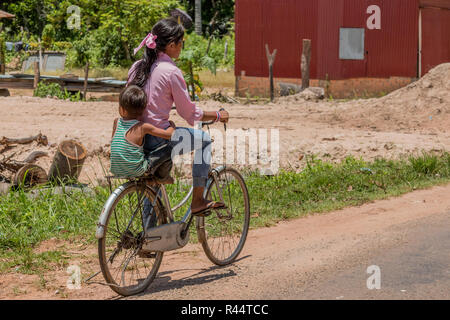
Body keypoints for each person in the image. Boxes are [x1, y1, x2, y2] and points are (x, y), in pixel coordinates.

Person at [127, 18, 228, 216]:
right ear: (171, 44)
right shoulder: (171, 72)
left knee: (152, 184)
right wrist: (217, 115)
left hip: (134, 137)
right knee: (205, 141)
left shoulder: (137, 67)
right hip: (158, 138)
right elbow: (189, 113)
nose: (182, 47)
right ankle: (198, 200)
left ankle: (149, 236)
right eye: (181, 43)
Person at [110, 85, 176, 179]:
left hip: (116, 170)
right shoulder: (143, 127)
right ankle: (162, 177)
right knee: (169, 149)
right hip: (137, 171)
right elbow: (168, 135)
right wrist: (172, 125)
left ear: (122, 109)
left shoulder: (116, 122)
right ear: (143, 111)